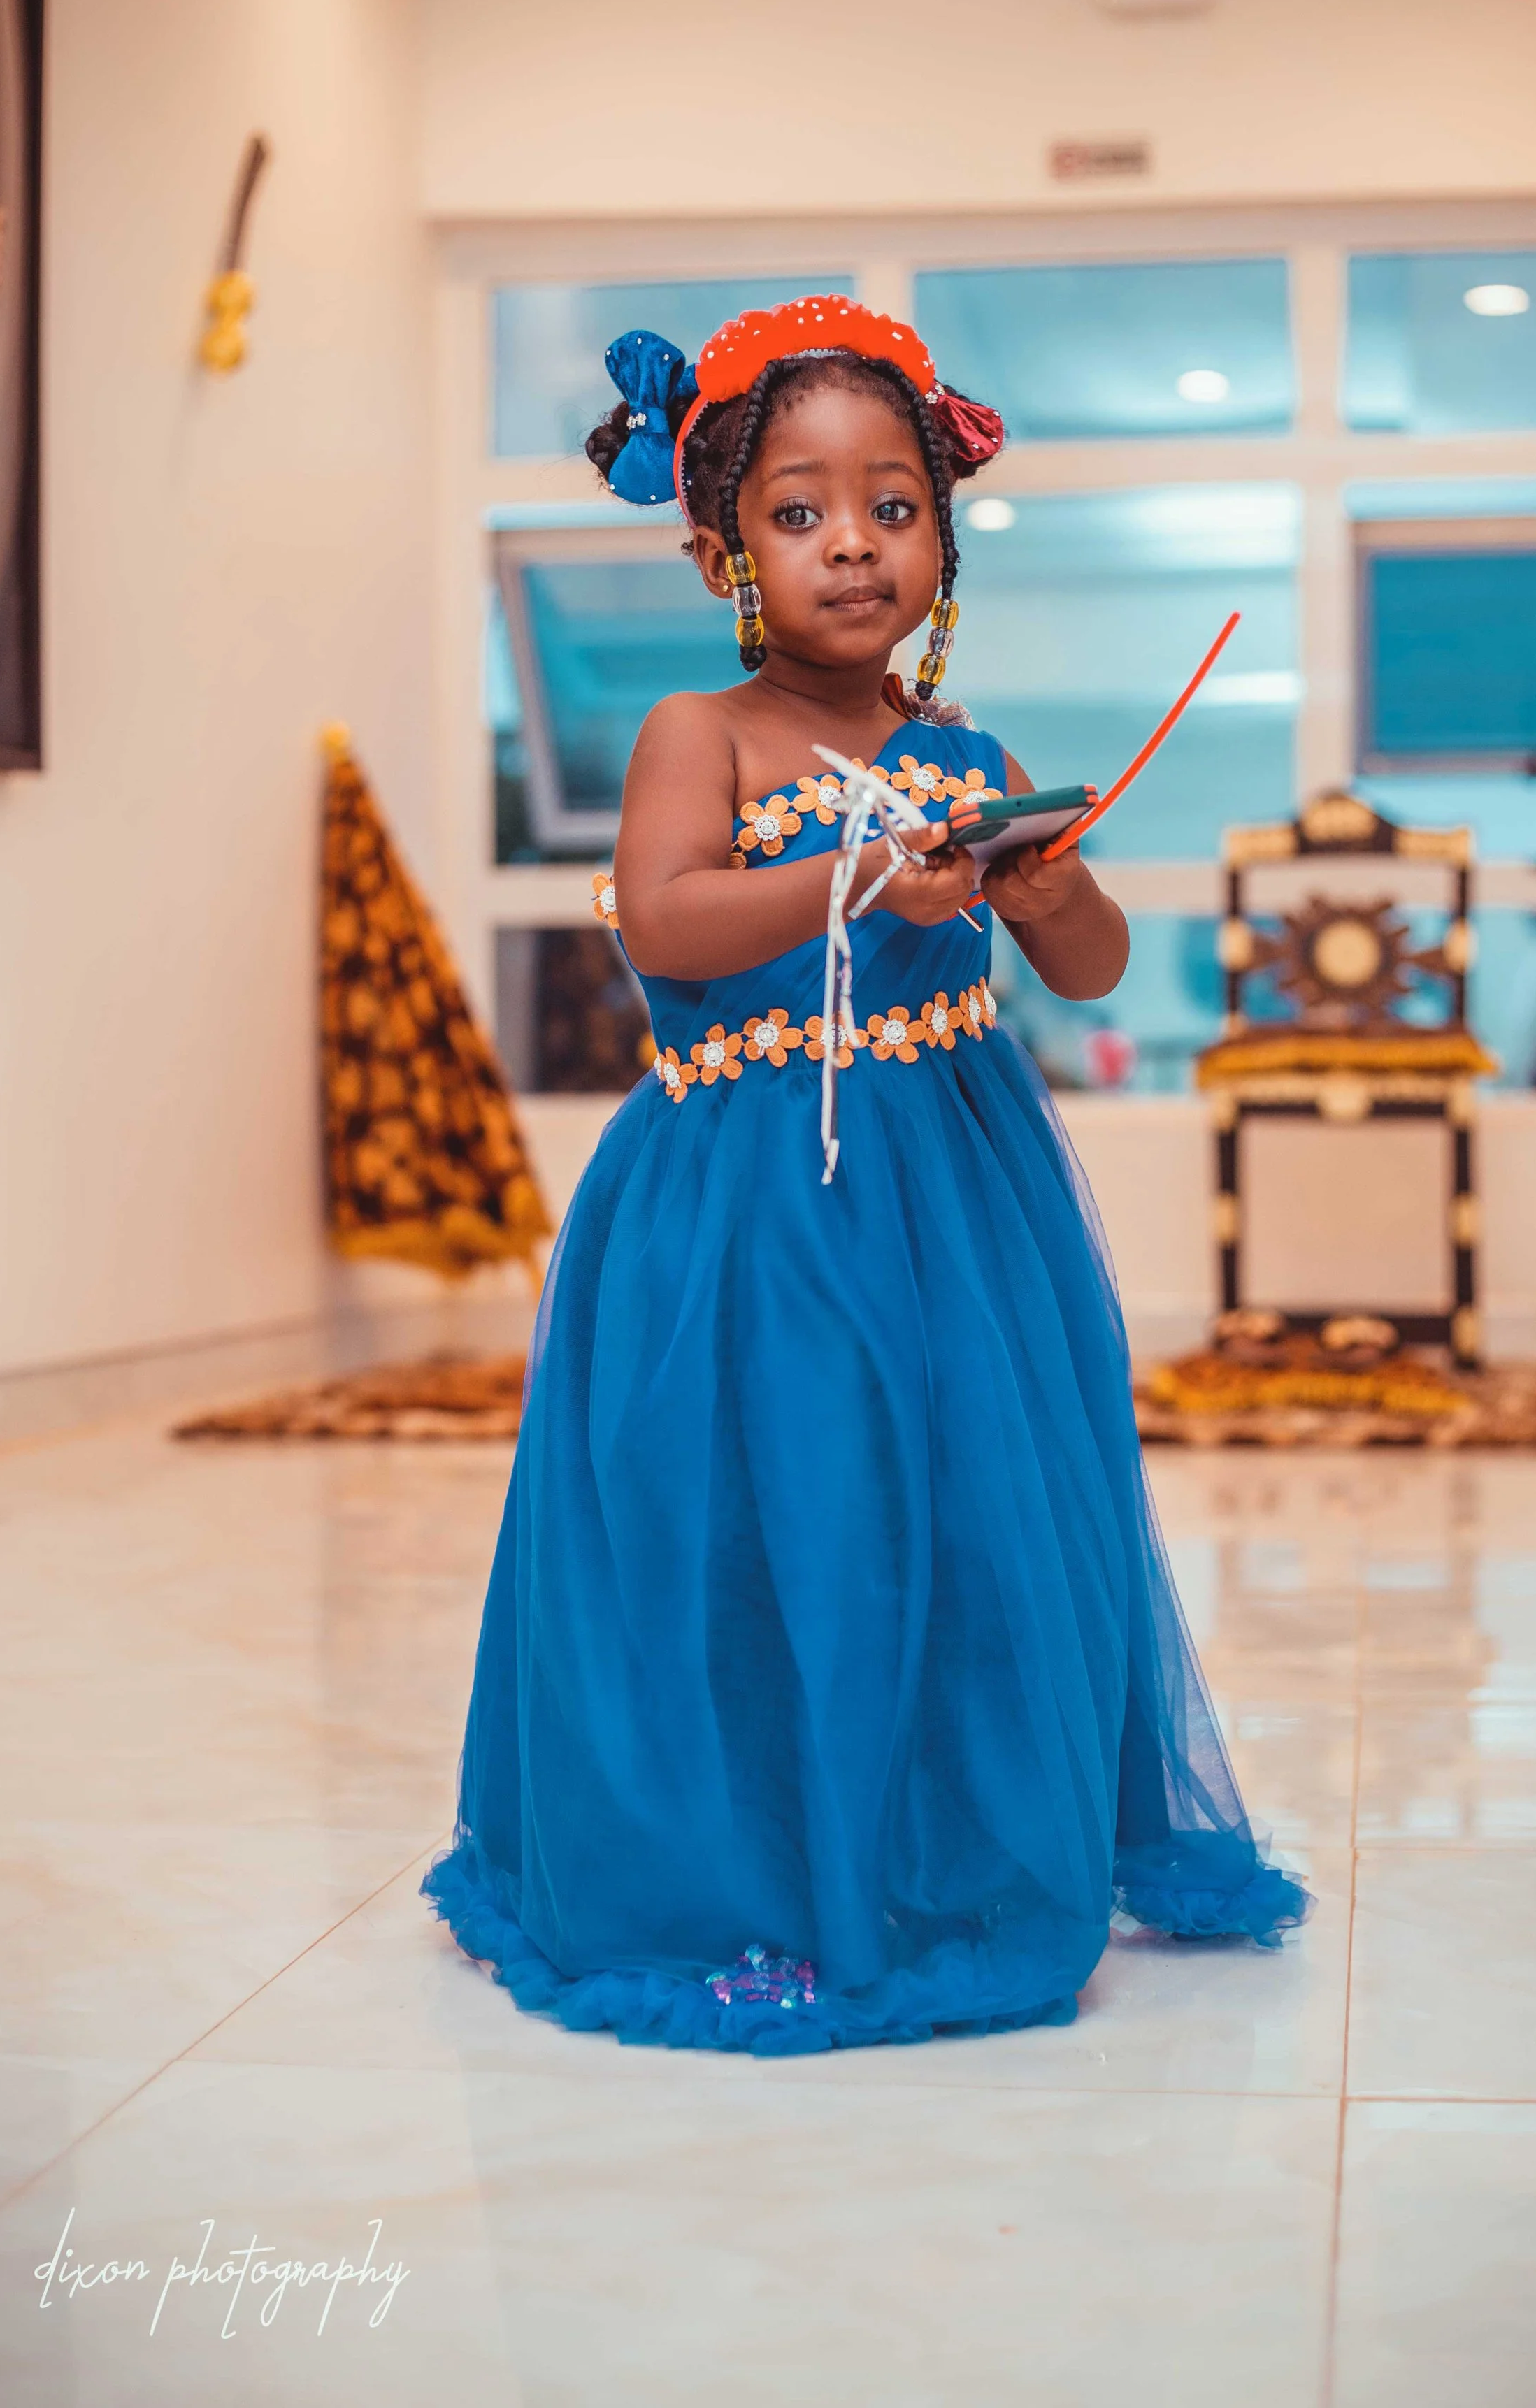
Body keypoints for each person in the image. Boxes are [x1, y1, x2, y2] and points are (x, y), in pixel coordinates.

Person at [422, 295, 1307, 2054]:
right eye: (801, 512)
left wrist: (1039, 886)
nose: (852, 547)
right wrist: (852, 883)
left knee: (960, 1510)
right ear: (721, 547)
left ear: (943, 534)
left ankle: (940, 1840)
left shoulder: (960, 753)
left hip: (953, 1201)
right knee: (775, 1501)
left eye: (891, 507)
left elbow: (1088, 969)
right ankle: (749, 1865)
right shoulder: (706, 733)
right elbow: (665, 922)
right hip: (750, 1198)